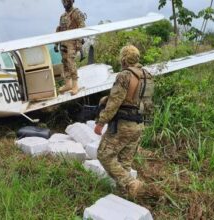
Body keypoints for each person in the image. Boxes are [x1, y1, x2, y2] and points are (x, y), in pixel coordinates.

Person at [94, 45, 154, 197]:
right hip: (138, 124)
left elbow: (115, 101)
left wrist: (101, 122)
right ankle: (124, 196)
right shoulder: (147, 75)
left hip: (124, 124)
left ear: (123, 59)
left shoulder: (125, 75)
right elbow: (146, 104)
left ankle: (131, 183)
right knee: (124, 162)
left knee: (104, 154)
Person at [55, 0, 86, 95]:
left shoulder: (77, 13)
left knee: (70, 61)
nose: (64, 3)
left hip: (73, 42)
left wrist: (79, 45)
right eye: (63, 1)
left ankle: (75, 85)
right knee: (65, 62)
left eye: (67, 1)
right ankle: (68, 84)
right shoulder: (63, 16)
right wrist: (56, 44)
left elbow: (82, 28)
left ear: (72, 1)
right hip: (63, 43)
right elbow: (59, 29)